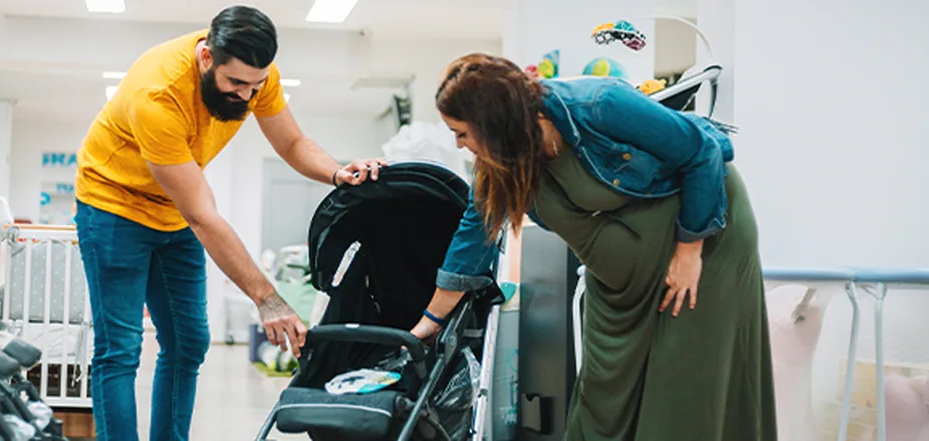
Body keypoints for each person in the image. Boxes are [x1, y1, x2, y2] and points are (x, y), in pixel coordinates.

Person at [409, 53, 778, 441]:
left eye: (462, 132)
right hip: (626, 275)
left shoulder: (599, 105)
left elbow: (703, 152)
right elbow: (475, 229)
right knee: (604, 390)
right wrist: (431, 322)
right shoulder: (501, 158)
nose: (459, 143)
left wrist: (689, 252)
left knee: (683, 382)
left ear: (493, 122)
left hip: (705, 238)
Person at [72, 6, 384, 441]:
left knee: (188, 342)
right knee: (120, 350)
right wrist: (268, 299)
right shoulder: (158, 94)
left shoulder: (258, 77)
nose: (246, 96)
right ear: (206, 59)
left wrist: (337, 172)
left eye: (255, 85)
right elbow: (202, 214)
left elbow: (291, 142)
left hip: (173, 211)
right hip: (113, 207)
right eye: (235, 83)